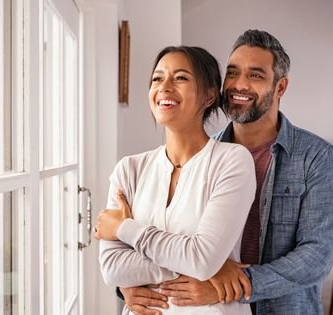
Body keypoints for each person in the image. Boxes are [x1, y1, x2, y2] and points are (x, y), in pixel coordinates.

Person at [120, 30, 333, 315]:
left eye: (256, 75)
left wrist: (237, 284)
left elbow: (316, 257)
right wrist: (129, 283)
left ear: (280, 88)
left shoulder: (316, 158)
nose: (240, 84)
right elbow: (170, 237)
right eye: (232, 72)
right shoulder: (202, 153)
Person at [94, 46, 257, 315]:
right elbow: (112, 268)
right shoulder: (129, 170)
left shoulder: (232, 161)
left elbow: (202, 259)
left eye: (180, 78)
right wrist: (206, 265)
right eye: (157, 79)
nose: (165, 87)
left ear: (209, 96)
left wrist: (124, 228)